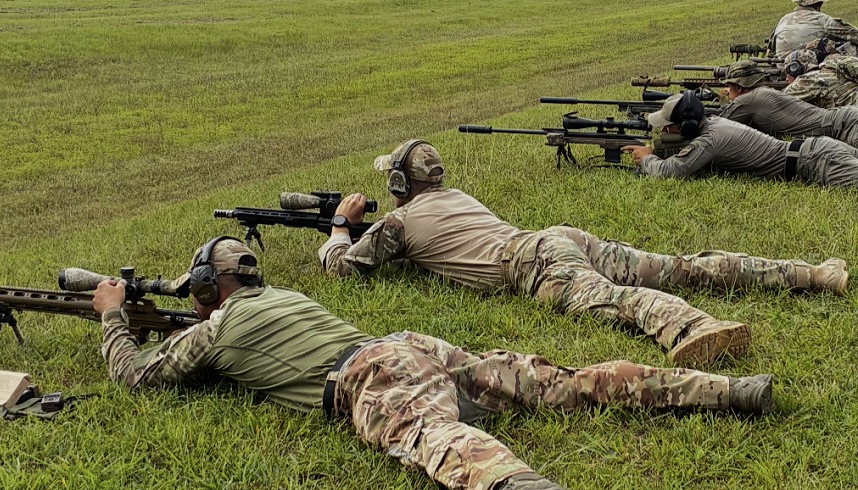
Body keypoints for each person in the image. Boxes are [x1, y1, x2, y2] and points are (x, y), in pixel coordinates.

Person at [92, 236, 775, 490]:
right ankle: (722, 390)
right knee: (558, 382)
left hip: (366, 377)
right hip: (409, 345)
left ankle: (512, 487)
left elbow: (139, 376)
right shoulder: (285, 296)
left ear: (210, 292)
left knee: (426, 431)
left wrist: (111, 318)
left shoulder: (215, 333)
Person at [318, 140, 847, 370]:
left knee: (613, 301)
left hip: (530, 263)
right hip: (557, 238)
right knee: (679, 264)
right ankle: (815, 276)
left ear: (396, 182)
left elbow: (345, 268)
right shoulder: (455, 199)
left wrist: (341, 227)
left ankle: (690, 329)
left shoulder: (399, 222)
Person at [625, 90, 858, 188]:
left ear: (686, 126)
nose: (664, 132)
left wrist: (647, 158)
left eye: (668, 127)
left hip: (817, 162)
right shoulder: (714, 123)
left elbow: (671, 172)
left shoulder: (711, 139)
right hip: (816, 150)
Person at [721, 60, 858, 149]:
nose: (728, 92)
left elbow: (718, 127)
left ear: (739, 87)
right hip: (846, 119)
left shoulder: (748, 100)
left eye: (729, 87)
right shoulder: (764, 93)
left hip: (845, 127)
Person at [771, 0, 858, 59]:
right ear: (819, 5)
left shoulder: (784, 19)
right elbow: (854, 34)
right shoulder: (821, 19)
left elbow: (772, 47)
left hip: (782, 65)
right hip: (807, 66)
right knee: (849, 48)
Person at [784, 48, 858, 108]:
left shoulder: (806, 81)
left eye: (788, 72)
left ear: (795, 69)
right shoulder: (831, 71)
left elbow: (777, 100)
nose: (786, 79)